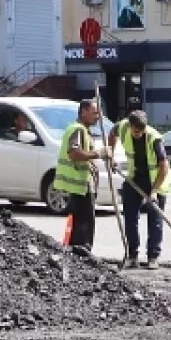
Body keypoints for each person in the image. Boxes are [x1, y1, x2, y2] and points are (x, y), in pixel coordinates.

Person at [110, 109, 171, 269]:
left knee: (155, 219)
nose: (139, 133)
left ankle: (153, 256)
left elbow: (164, 166)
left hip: (156, 182)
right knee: (130, 218)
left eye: (142, 130)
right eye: (136, 130)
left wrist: (153, 192)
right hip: (134, 178)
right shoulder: (123, 127)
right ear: (130, 126)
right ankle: (132, 255)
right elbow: (112, 132)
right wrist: (111, 156)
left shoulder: (154, 138)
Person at [53, 99, 109, 252]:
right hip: (79, 184)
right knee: (84, 221)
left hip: (82, 184)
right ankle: (81, 251)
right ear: (83, 112)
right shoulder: (77, 129)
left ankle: (78, 250)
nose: (97, 117)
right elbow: (74, 153)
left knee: (82, 220)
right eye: (94, 113)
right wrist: (98, 153)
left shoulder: (82, 130)